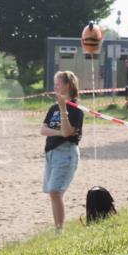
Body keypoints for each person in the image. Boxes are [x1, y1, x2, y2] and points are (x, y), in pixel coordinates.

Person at [41, 71, 84, 231]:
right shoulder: (53, 108)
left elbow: (67, 133)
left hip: (66, 152)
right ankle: (57, 227)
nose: (55, 87)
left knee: (55, 191)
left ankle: (59, 229)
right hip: (51, 153)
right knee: (53, 193)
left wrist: (63, 109)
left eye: (58, 83)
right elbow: (43, 130)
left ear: (68, 85)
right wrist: (59, 132)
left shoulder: (76, 110)